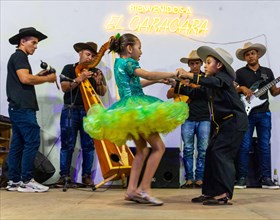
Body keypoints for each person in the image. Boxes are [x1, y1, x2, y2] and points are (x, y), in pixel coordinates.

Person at [83, 33, 188, 205]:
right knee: (159, 147)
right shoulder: (130, 62)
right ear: (130, 48)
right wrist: (174, 73)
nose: (141, 52)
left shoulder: (119, 63)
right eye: (139, 48)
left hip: (127, 108)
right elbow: (146, 74)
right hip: (136, 108)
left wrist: (159, 81)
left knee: (142, 150)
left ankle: (132, 189)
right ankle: (144, 189)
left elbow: (136, 83)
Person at [176, 46, 248, 205]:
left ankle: (223, 194)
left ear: (219, 66)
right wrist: (176, 83)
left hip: (234, 122)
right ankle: (210, 192)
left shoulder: (223, 79)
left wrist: (189, 75)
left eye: (208, 62)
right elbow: (196, 93)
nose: (204, 66)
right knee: (211, 153)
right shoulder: (213, 84)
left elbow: (212, 81)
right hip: (223, 124)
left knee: (221, 154)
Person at [6, 27, 57, 192]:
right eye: (33, 42)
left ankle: (14, 180)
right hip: (23, 108)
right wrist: (48, 78)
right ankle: (27, 180)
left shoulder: (18, 57)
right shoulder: (20, 56)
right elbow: (25, 78)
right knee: (32, 140)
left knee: (18, 144)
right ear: (22, 41)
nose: (36, 46)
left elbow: (25, 78)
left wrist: (40, 76)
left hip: (17, 107)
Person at [234, 42, 280, 190]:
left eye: (252, 53)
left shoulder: (268, 72)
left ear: (258, 55)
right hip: (246, 114)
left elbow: (274, 92)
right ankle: (241, 178)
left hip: (264, 113)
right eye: (247, 54)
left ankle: (265, 178)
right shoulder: (239, 73)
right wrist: (242, 88)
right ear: (244, 58)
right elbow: (232, 90)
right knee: (244, 146)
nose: (250, 56)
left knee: (264, 146)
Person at [57, 42, 107, 186]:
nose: (89, 58)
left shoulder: (96, 71)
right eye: (87, 54)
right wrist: (80, 78)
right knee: (67, 145)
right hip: (70, 110)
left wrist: (99, 83)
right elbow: (65, 88)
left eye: (92, 56)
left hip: (88, 111)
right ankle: (64, 176)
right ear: (80, 53)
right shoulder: (69, 68)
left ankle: (87, 177)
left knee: (89, 145)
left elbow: (102, 92)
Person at [167, 50, 210, 188]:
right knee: (188, 149)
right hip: (187, 117)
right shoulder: (183, 78)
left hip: (204, 117)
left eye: (197, 63)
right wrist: (182, 84)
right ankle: (189, 178)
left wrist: (191, 85)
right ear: (189, 64)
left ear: (201, 64)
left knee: (203, 150)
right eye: (192, 63)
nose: (195, 65)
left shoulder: (206, 78)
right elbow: (169, 94)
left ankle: (200, 178)